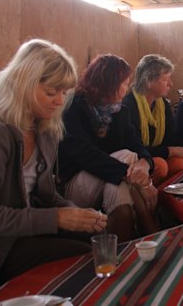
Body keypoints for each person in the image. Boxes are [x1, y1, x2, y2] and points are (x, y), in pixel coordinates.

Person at [0, 39, 107, 305]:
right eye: (52, 91)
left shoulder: (42, 126)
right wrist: (57, 218)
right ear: (22, 83)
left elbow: (46, 195)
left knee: (92, 243)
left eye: (64, 93)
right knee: (81, 259)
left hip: (20, 236)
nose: (60, 102)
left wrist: (77, 214)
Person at [59, 54, 158, 243]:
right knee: (125, 156)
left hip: (110, 178)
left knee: (117, 185)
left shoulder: (120, 111)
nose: (126, 88)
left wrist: (145, 163)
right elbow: (85, 155)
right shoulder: (74, 108)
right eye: (123, 83)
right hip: (75, 185)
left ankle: (118, 249)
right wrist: (143, 184)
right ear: (108, 83)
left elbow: (136, 143)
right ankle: (151, 230)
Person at [122, 54, 183, 185]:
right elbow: (134, 147)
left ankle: (167, 195)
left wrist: (182, 149)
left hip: (155, 154)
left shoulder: (162, 104)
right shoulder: (129, 105)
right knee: (160, 165)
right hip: (136, 158)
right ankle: (148, 196)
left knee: (178, 161)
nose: (170, 83)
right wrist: (170, 151)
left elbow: (171, 138)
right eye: (166, 79)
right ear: (149, 81)